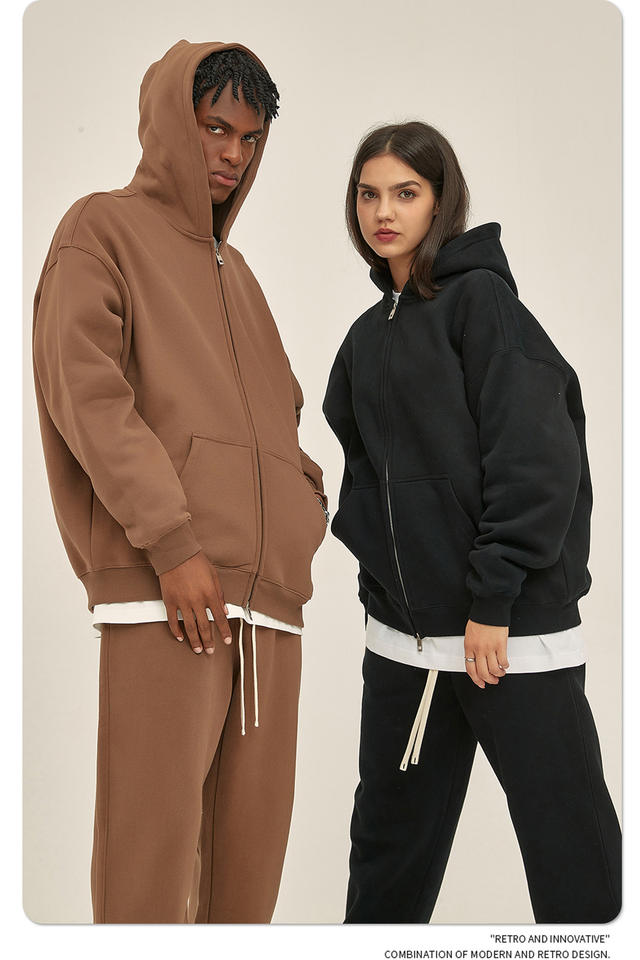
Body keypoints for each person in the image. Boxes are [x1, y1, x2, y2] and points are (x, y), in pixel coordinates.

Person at [32, 40, 328, 924]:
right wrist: (173, 542)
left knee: (247, 888)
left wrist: (304, 508)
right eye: (215, 128)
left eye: (250, 138)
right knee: (149, 870)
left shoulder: (243, 280)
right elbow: (87, 394)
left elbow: (282, 416)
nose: (233, 154)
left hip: (271, 614)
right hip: (172, 593)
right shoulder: (102, 230)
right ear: (171, 121)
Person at [322, 121, 621, 924]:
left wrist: (493, 597)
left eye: (405, 193)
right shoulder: (364, 338)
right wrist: (383, 590)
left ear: (440, 202)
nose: (384, 211)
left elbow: (535, 457)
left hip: (507, 637)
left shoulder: (481, 303)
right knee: (384, 862)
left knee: (571, 855)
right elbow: (365, 482)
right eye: (368, 194)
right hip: (406, 644)